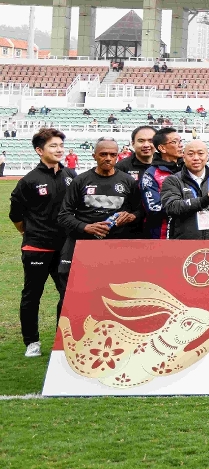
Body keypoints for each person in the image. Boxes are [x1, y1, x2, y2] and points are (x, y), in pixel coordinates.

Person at [9, 128, 76, 358]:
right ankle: (32, 342)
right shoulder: (29, 181)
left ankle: (62, 340)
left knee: (67, 294)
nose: (59, 150)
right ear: (39, 150)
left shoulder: (71, 175)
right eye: (53, 146)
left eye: (61, 145)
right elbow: (15, 215)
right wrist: (31, 233)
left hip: (65, 248)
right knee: (32, 295)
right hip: (37, 247)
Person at [57, 138, 143, 274]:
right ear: (94, 156)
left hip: (115, 244)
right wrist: (85, 227)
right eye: (103, 154)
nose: (108, 158)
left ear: (117, 156)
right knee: (71, 279)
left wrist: (132, 216)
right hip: (84, 241)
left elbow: (140, 211)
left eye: (112, 155)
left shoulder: (128, 181)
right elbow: (64, 215)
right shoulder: (80, 181)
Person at [160, 140, 209, 240]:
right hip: (182, 243)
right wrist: (206, 200)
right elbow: (172, 207)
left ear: (207, 156)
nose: (196, 158)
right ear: (184, 157)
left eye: (200, 153)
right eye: (190, 154)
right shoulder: (173, 180)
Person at [139, 127, 184, 239]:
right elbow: (154, 208)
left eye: (181, 141)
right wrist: (188, 205)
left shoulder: (188, 170)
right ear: (162, 148)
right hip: (161, 236)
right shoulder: (150, 174)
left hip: (188, 234)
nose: (181, 145)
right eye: (175, 142)